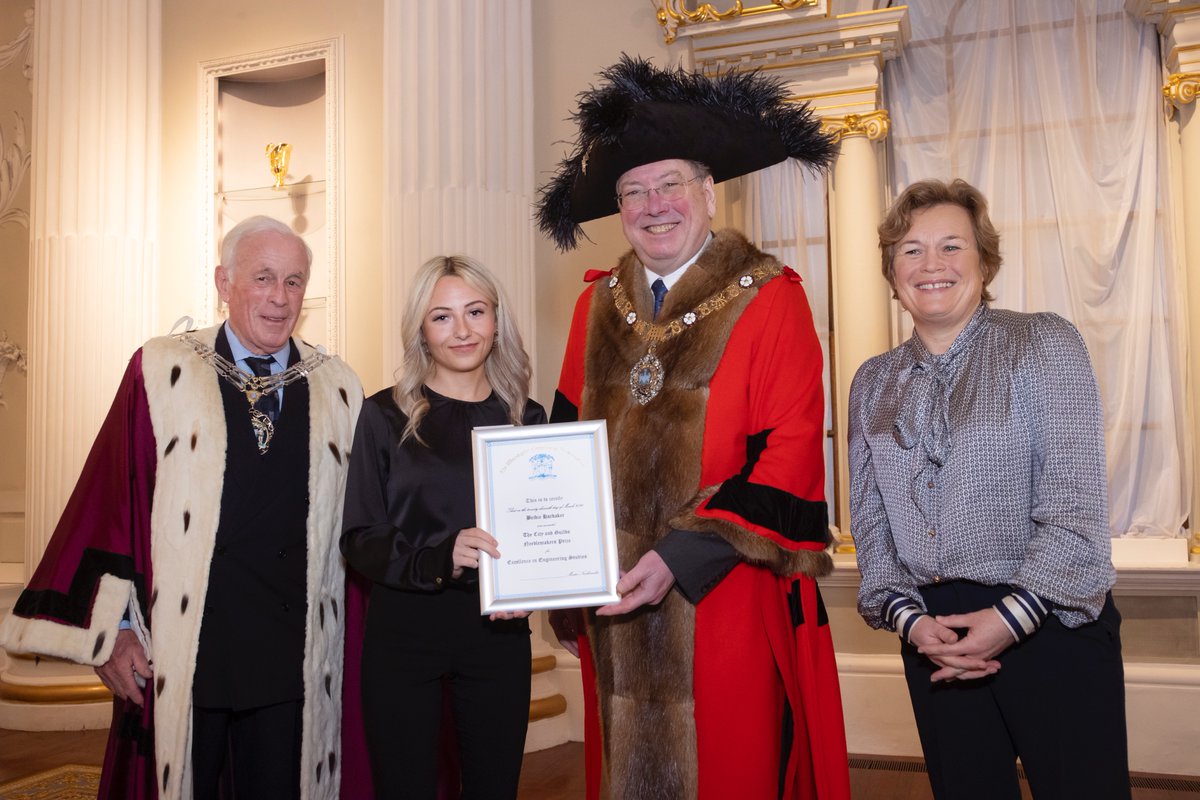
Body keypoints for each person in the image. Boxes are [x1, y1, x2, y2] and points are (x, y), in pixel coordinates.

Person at [535, 56, 851, 799]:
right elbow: (559, 445)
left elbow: (792, 451)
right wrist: (547, 560)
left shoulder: (770, 299)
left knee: (730, 770)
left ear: (709, 193)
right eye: (632, 192)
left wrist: (681, 557)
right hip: (612, 599)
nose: (653, 205)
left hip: (723, 598)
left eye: (669, 184)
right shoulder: (595, 308)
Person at [0, 215, 363, 799]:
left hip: (289, 659)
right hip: (188, 651)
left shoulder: (338, 388)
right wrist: (114, 632)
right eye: (263, 277)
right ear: (224, 281)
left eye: (294, 282)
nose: (279, 297)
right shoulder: (162, 370)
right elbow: (110, 499)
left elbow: (362, 529)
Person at [848, 179, 1130, 799]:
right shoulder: (870, 383)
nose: (932, 266)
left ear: (985, 260)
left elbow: (1074, 510)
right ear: (892, 272)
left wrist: (1009, 618)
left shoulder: (1043, 343)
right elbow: (869, 528)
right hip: (933, 639)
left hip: (1050, 625)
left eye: (952, 246)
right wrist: (913, 624)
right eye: (911, 250)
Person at [340, 255, 544, 800]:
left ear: (496, 320)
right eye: (442, 317)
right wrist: (439, 556)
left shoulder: (529, 419)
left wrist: (539, 582)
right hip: (405, 632)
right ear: (421, 331)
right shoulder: (383, 416)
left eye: (475, 312)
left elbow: (545, 531)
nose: (462, 330)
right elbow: (359, 536)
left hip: (498, 634)